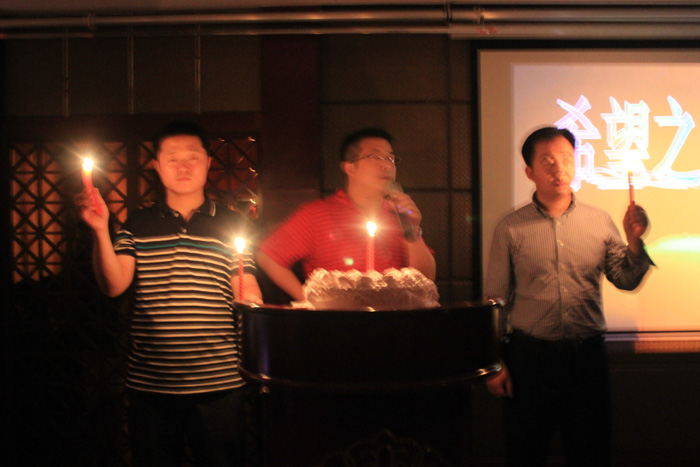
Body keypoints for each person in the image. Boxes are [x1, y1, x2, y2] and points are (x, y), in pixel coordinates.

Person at [74, 120, 262, 467]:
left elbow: (245, 282)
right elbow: (114, 284)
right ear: (157, 166)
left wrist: (252, 303)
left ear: (208, 163)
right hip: (151, 384)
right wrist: (101, 230)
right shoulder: (138, 224)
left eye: (193, 157)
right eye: (172, 158)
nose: (183, 166)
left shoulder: (231, 223)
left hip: (218, 381)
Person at [484, 126, 653, 466]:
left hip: (587, 359)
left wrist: (634, 242)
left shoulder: (599, 221)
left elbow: (625, 279)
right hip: (530, 360)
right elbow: (495, 301)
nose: (559, 168)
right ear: (529, 172)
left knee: (591, 452)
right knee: (525, 453)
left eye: (565, 159)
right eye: (547, 161)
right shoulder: (511, 228)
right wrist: (494, 363)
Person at [257, 127, 436, 302]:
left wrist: (412, 229)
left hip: (392, 317)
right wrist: (307, 299)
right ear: (350, 168)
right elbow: (268, 257)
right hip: (338, 319)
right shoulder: (317, 215)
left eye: (391, 158)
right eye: (376, 156)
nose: (387, 165)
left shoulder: (399, 215)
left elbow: (425, 281)